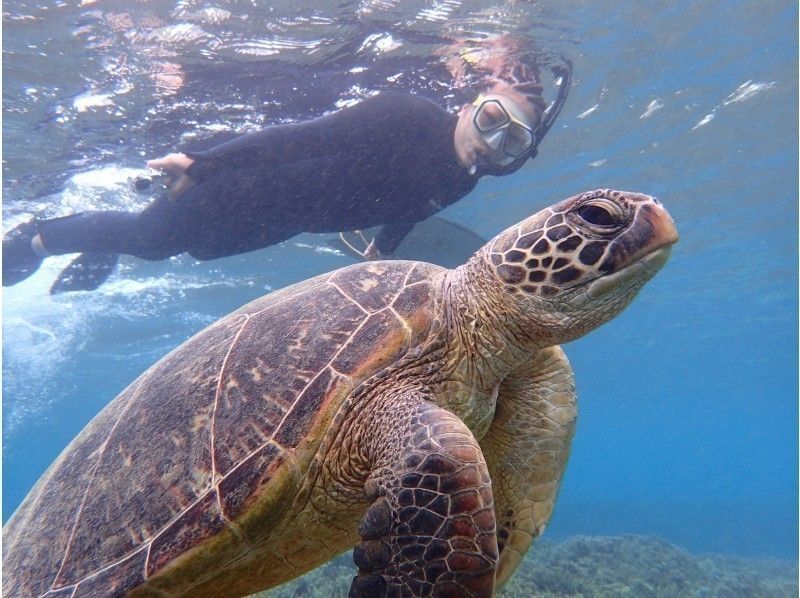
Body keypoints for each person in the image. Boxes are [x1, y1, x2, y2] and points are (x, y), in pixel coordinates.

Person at [3, 53, 571, 291]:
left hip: (284, 217)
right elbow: (301, 137)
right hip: (246, 180)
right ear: (472, 101)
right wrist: (204, 165)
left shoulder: (461, 178)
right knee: (153, 241)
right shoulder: (406, 115)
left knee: (187, 249)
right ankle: (38, 235)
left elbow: (407, 208)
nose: (492, 141)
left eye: (512, 140)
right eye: (492, 119)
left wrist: (382, 251)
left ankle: (103, 237)